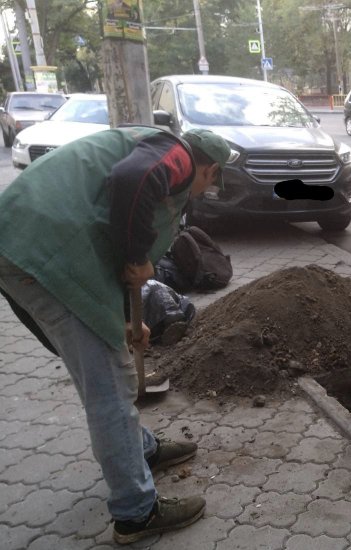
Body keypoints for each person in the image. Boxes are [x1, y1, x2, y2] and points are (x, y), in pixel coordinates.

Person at [0, 126, 231, 544]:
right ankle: (136, 512)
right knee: (108, 384)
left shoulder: (153, 147)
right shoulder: (176, 155)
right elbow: (132, 181)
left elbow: (105, 236)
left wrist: (125, 318)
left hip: (38, 246)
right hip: (46, 252)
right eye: (212, 181)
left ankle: (138, 447)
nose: (203, 191)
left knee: (104, 366)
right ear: (210, 169)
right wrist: (137, 256)